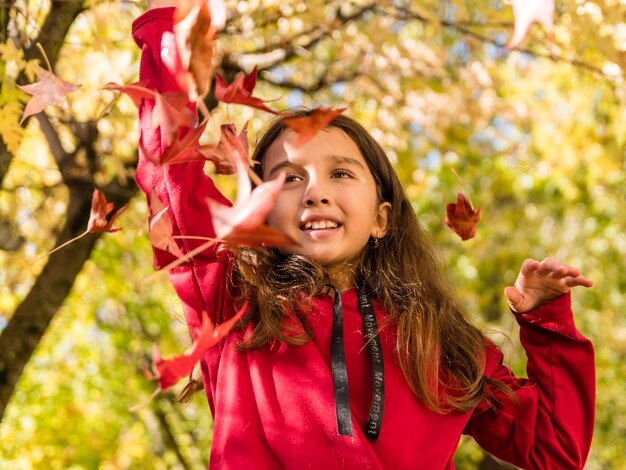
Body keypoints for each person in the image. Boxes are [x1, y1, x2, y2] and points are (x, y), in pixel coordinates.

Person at [133, 3, 595, 469]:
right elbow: (171, 178)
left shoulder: (441, 343)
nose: (315, 192)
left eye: (340, 174)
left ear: (382, 218)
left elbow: (554, 449)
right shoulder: (236, 310)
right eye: (289, 178)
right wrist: (172, 41)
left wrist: (547, 323)